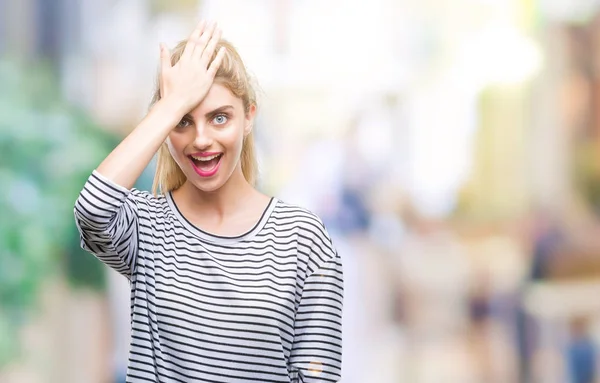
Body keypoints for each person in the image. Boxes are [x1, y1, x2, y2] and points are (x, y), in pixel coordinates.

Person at [73, 20, 343, 383]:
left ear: (249, 117)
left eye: (219, 118)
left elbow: (317, 375)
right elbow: (91, 209)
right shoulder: (147, 226)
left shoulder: (303, 240)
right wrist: (169, 106)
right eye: (184, 121)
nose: (201, 139)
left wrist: (178, 108)